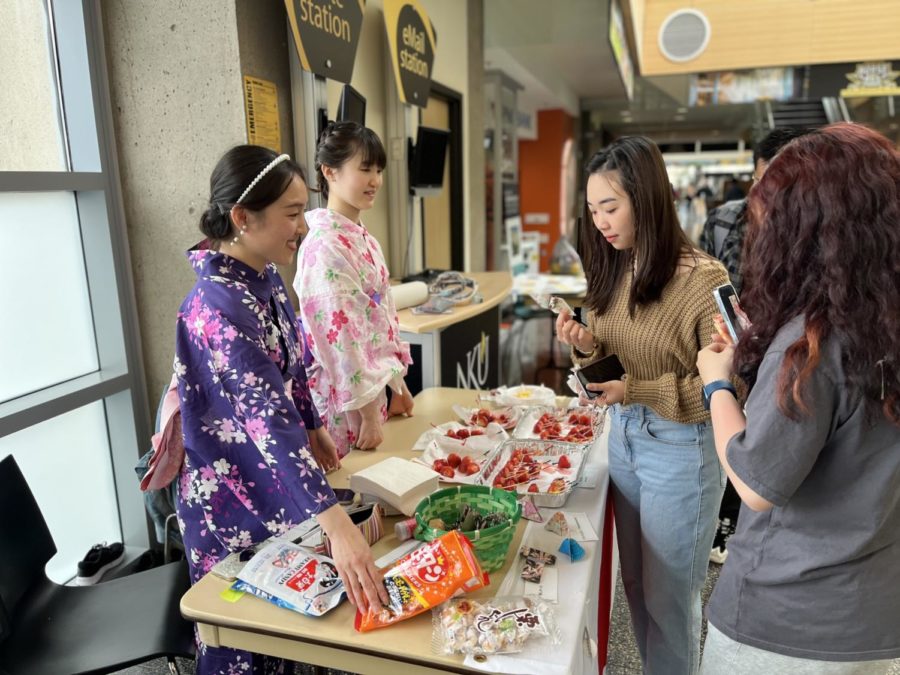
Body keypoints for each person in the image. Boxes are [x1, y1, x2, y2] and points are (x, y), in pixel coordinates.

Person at [174, 145, 388, 675]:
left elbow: (293, 363)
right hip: (231, 501)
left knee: (299, 635)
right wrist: (337, 524)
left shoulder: (263, 276)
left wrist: (314, 424)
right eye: (292, 214)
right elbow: (266, 426)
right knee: (253, 648)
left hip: (272, 481)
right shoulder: (217, 307)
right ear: (243, 219)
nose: (302, 225)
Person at [697, 123, 900, 673]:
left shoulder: (811, 346)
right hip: (877, 610)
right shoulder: (878, 323)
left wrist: (717, 381)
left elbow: (754, 483)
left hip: (786, 619)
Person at [555, 136, 732, 674]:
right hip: (624, 439)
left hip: (681, 449)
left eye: (611, 207)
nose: (601, 222)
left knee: (670, 600)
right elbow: (617, 351)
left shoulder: (705, 279)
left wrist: (636, 391)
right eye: (593, 210)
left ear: (648, 199)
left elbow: (722, 391)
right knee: (633, 584)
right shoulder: (613, 265)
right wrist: (588, 346)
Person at [699, 127, 810, 564]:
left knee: (764, 463)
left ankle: (748, 533)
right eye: (766, 181)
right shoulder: (725, 221)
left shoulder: (811, 234)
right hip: (730, 351)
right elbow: (700, 283)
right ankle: (726, 527)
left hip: (785, 360)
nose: (773, 197)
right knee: (729, 443)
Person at [294, 122, 414, 458]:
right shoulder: (324, 247)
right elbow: (341, 340)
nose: (375, 180)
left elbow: (382, 318)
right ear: (329, 171)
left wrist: (397, 385)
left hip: (371, 395)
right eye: (365, 169)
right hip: (345, 404)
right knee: (353, 498)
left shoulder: (361, 237)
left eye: (378, 169)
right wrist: (366, 413)